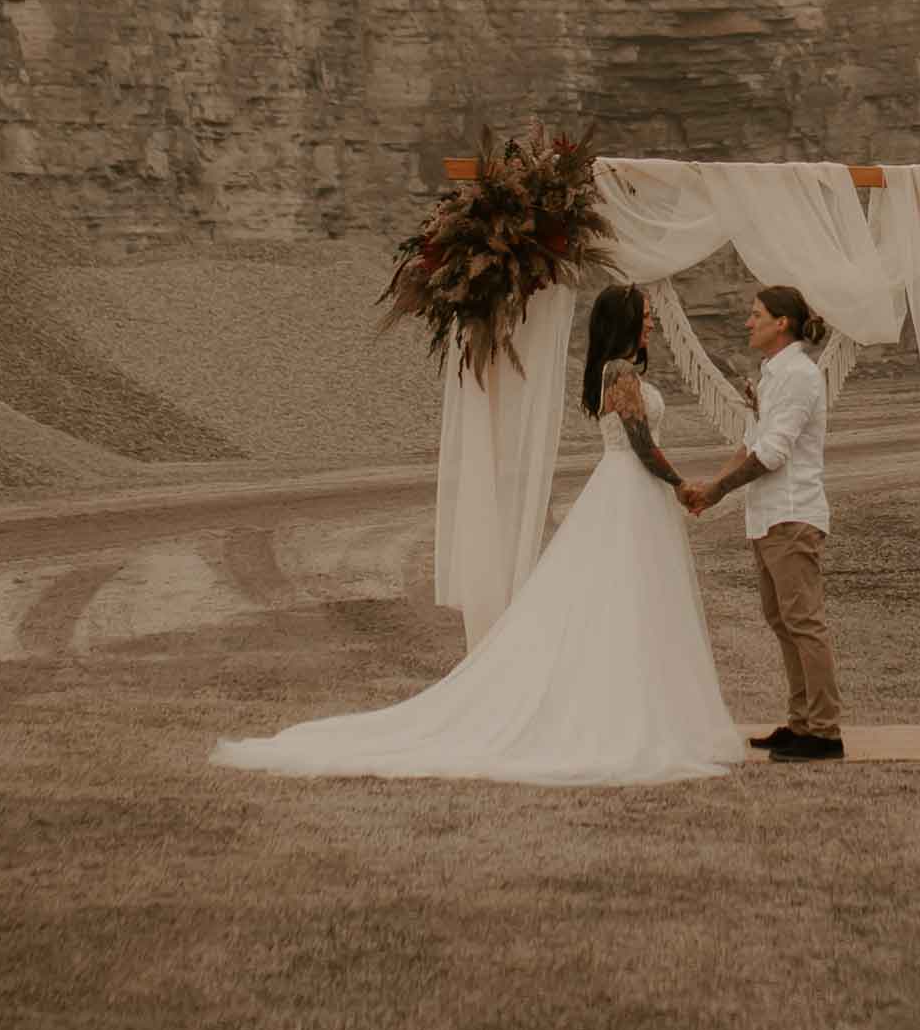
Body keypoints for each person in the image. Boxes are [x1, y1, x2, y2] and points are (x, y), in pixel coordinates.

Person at [212, 285, 745, 787]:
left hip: (627, 491)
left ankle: (637, 707)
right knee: (623, 601)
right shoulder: (621, 372)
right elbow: (640, 440)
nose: (651, 321)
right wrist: (681, 485)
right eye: (647, 315)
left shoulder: (612, 370)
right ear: (627, 322)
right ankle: (624, 716)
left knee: (629, 602)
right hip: (630, 488)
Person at [681, 286, 842, 763]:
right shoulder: (774, 374)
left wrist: (717, 491)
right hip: (769, 516)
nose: (747, 323)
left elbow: (772, 454)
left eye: (756, 315)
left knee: (805, 623)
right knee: (783, 621)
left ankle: (826, 732)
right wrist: (712, 487)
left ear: (782, 324)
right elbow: (751, 442)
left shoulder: (797, 375)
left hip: (793, 513)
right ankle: (801, 722)